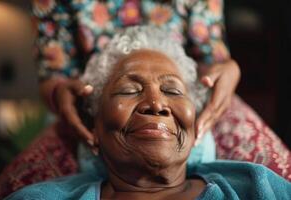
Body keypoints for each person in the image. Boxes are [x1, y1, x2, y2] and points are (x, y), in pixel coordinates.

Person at [6, 26, 291, 200]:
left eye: (173, 91)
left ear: (196, 120)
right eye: (129, 90)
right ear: (92, 124)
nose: (156, 104)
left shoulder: (257, 186)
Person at [34, 0, 240, 147]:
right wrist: (58, 91)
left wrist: (229, 69)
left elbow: (210, 60)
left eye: (169, 90)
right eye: (129, 90)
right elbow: (53, 72)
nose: (156, 105)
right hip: (84, 113)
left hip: (199, 102)